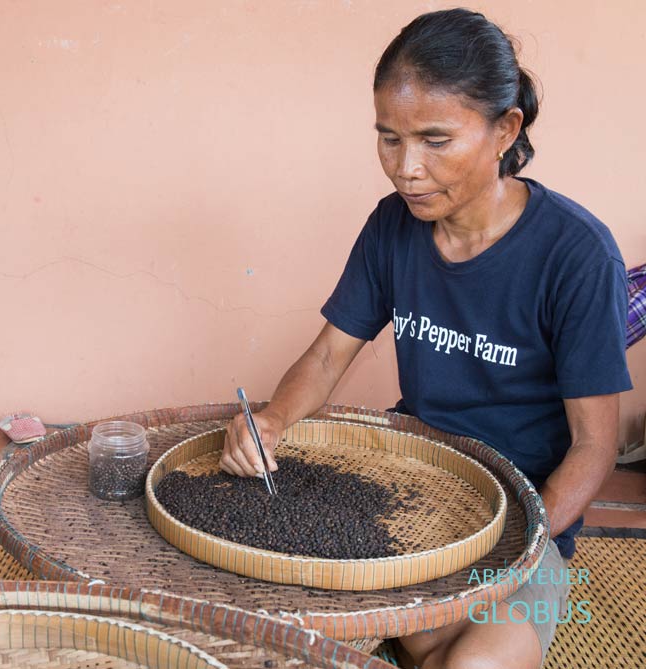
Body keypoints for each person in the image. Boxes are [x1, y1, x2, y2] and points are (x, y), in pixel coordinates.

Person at [219, 9, 632, 669]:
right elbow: (328, 355)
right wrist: (271, 419)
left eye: (435, 140)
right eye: (389, 138)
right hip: (409, 497)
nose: (406, 168)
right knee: (306, 630)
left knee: (467, 662)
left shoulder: (575, 255)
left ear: (505, 130)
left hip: (524, 524)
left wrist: (507, 550)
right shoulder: (392, 229)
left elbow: (594, 444)